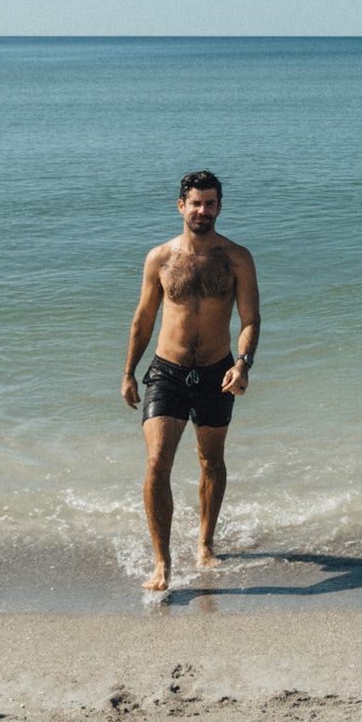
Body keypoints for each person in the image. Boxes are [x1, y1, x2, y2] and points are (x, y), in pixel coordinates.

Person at [121, 170, 260, 591]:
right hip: (167, 371)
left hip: (218, 371)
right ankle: (162, 563)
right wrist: (128, 371)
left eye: (211, 203)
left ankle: (205, 543)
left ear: (220, 207)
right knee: (157, 462)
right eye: (196, 203)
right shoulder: (159, 258)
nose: (203, 210)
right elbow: (144, 318)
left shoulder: (237, 258)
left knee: (210, 462)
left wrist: (243, 363)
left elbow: (250, 319)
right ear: (180, 205)